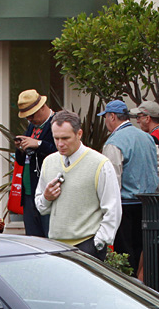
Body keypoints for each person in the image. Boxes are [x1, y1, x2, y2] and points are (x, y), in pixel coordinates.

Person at [34, 111, 121, 261]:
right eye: (56, 138)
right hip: (56, 246)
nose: (60, 143)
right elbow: (41, 207)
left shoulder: (100, 163)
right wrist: (47, 197)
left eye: (65, 138)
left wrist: (99, 243)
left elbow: (113, 208)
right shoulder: (49, 162)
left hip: (88, 245)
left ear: (79, 134)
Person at [99, 99, 158, 268]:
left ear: (112, 117)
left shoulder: (114, 141)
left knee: (125, 254)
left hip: (125, 204)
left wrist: (108, 206)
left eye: (105, 117)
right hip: (148, 203)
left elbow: (112, 178)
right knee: (143, 250)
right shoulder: (147, 137)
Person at [14, 90, 57, 237]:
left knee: (49, 237)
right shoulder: (32, 126)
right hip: (29, 191)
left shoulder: (57, 123)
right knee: (33, 239)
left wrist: (38, 144)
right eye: (27, 117)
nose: (30, 119)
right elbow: (21, 161)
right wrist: (21, 148)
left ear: (43, 107)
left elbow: (61, 153)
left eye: (32, 115)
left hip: (48, 191)